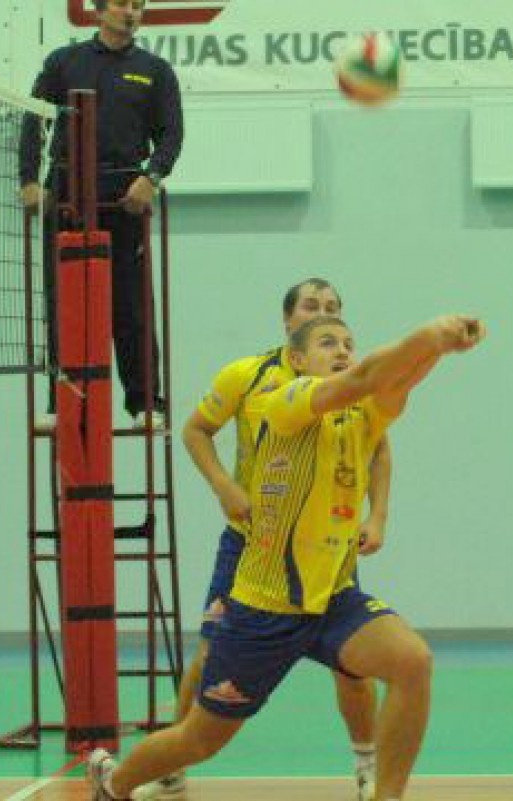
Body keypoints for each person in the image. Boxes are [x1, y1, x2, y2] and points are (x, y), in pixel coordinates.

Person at [88, 313, 486, 801]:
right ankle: (113, 782)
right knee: (200, 739)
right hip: (264, 610)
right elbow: (370, 375)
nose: (342, 350)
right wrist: (433, 335)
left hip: (331, 601)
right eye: (327, 343)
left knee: (412, 662)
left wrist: (438, 350)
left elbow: (394, 379)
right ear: (297, 359)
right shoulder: (286, 401)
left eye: (348, 343)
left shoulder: (363, 413)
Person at [148, 279, 390, 800]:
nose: (321, 313)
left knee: (353, 667)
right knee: (209, 653)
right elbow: (195, 430)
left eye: (332, 308)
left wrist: (378, 516)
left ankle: (368, 766)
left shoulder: (348, 382)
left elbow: (377, 449)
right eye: (311, 306)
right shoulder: (248, 375)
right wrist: (225, 487)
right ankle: (171, 762)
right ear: (288, 320)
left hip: (325, 551)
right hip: (250, 545)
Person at [19, 0, 183, 427]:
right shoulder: (63, 62)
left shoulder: (155, 70)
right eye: (122, 4)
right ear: (99, 10)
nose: (131, 12)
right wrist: (29, 180)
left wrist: (151, 177)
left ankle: (144, 403)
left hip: (124, 194)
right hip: (67, 192)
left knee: (131, 304)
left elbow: (171, 135)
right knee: (62, 301)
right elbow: (34, 119)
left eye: (138, 6)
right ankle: (62, 402)